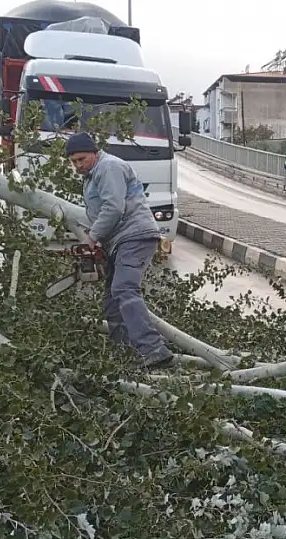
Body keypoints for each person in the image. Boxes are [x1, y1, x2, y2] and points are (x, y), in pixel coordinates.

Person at [66, 132, 174, 369]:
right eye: (73, 161)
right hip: (119, 240)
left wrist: (92, 238)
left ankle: (154, 349)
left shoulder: (109, 168)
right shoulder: (92, 175)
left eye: (81, 159)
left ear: (94, 153)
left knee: (123, 288)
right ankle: (124, 352)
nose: (77, 165)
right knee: (112, 299)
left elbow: (114, 208)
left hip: (134, 235)